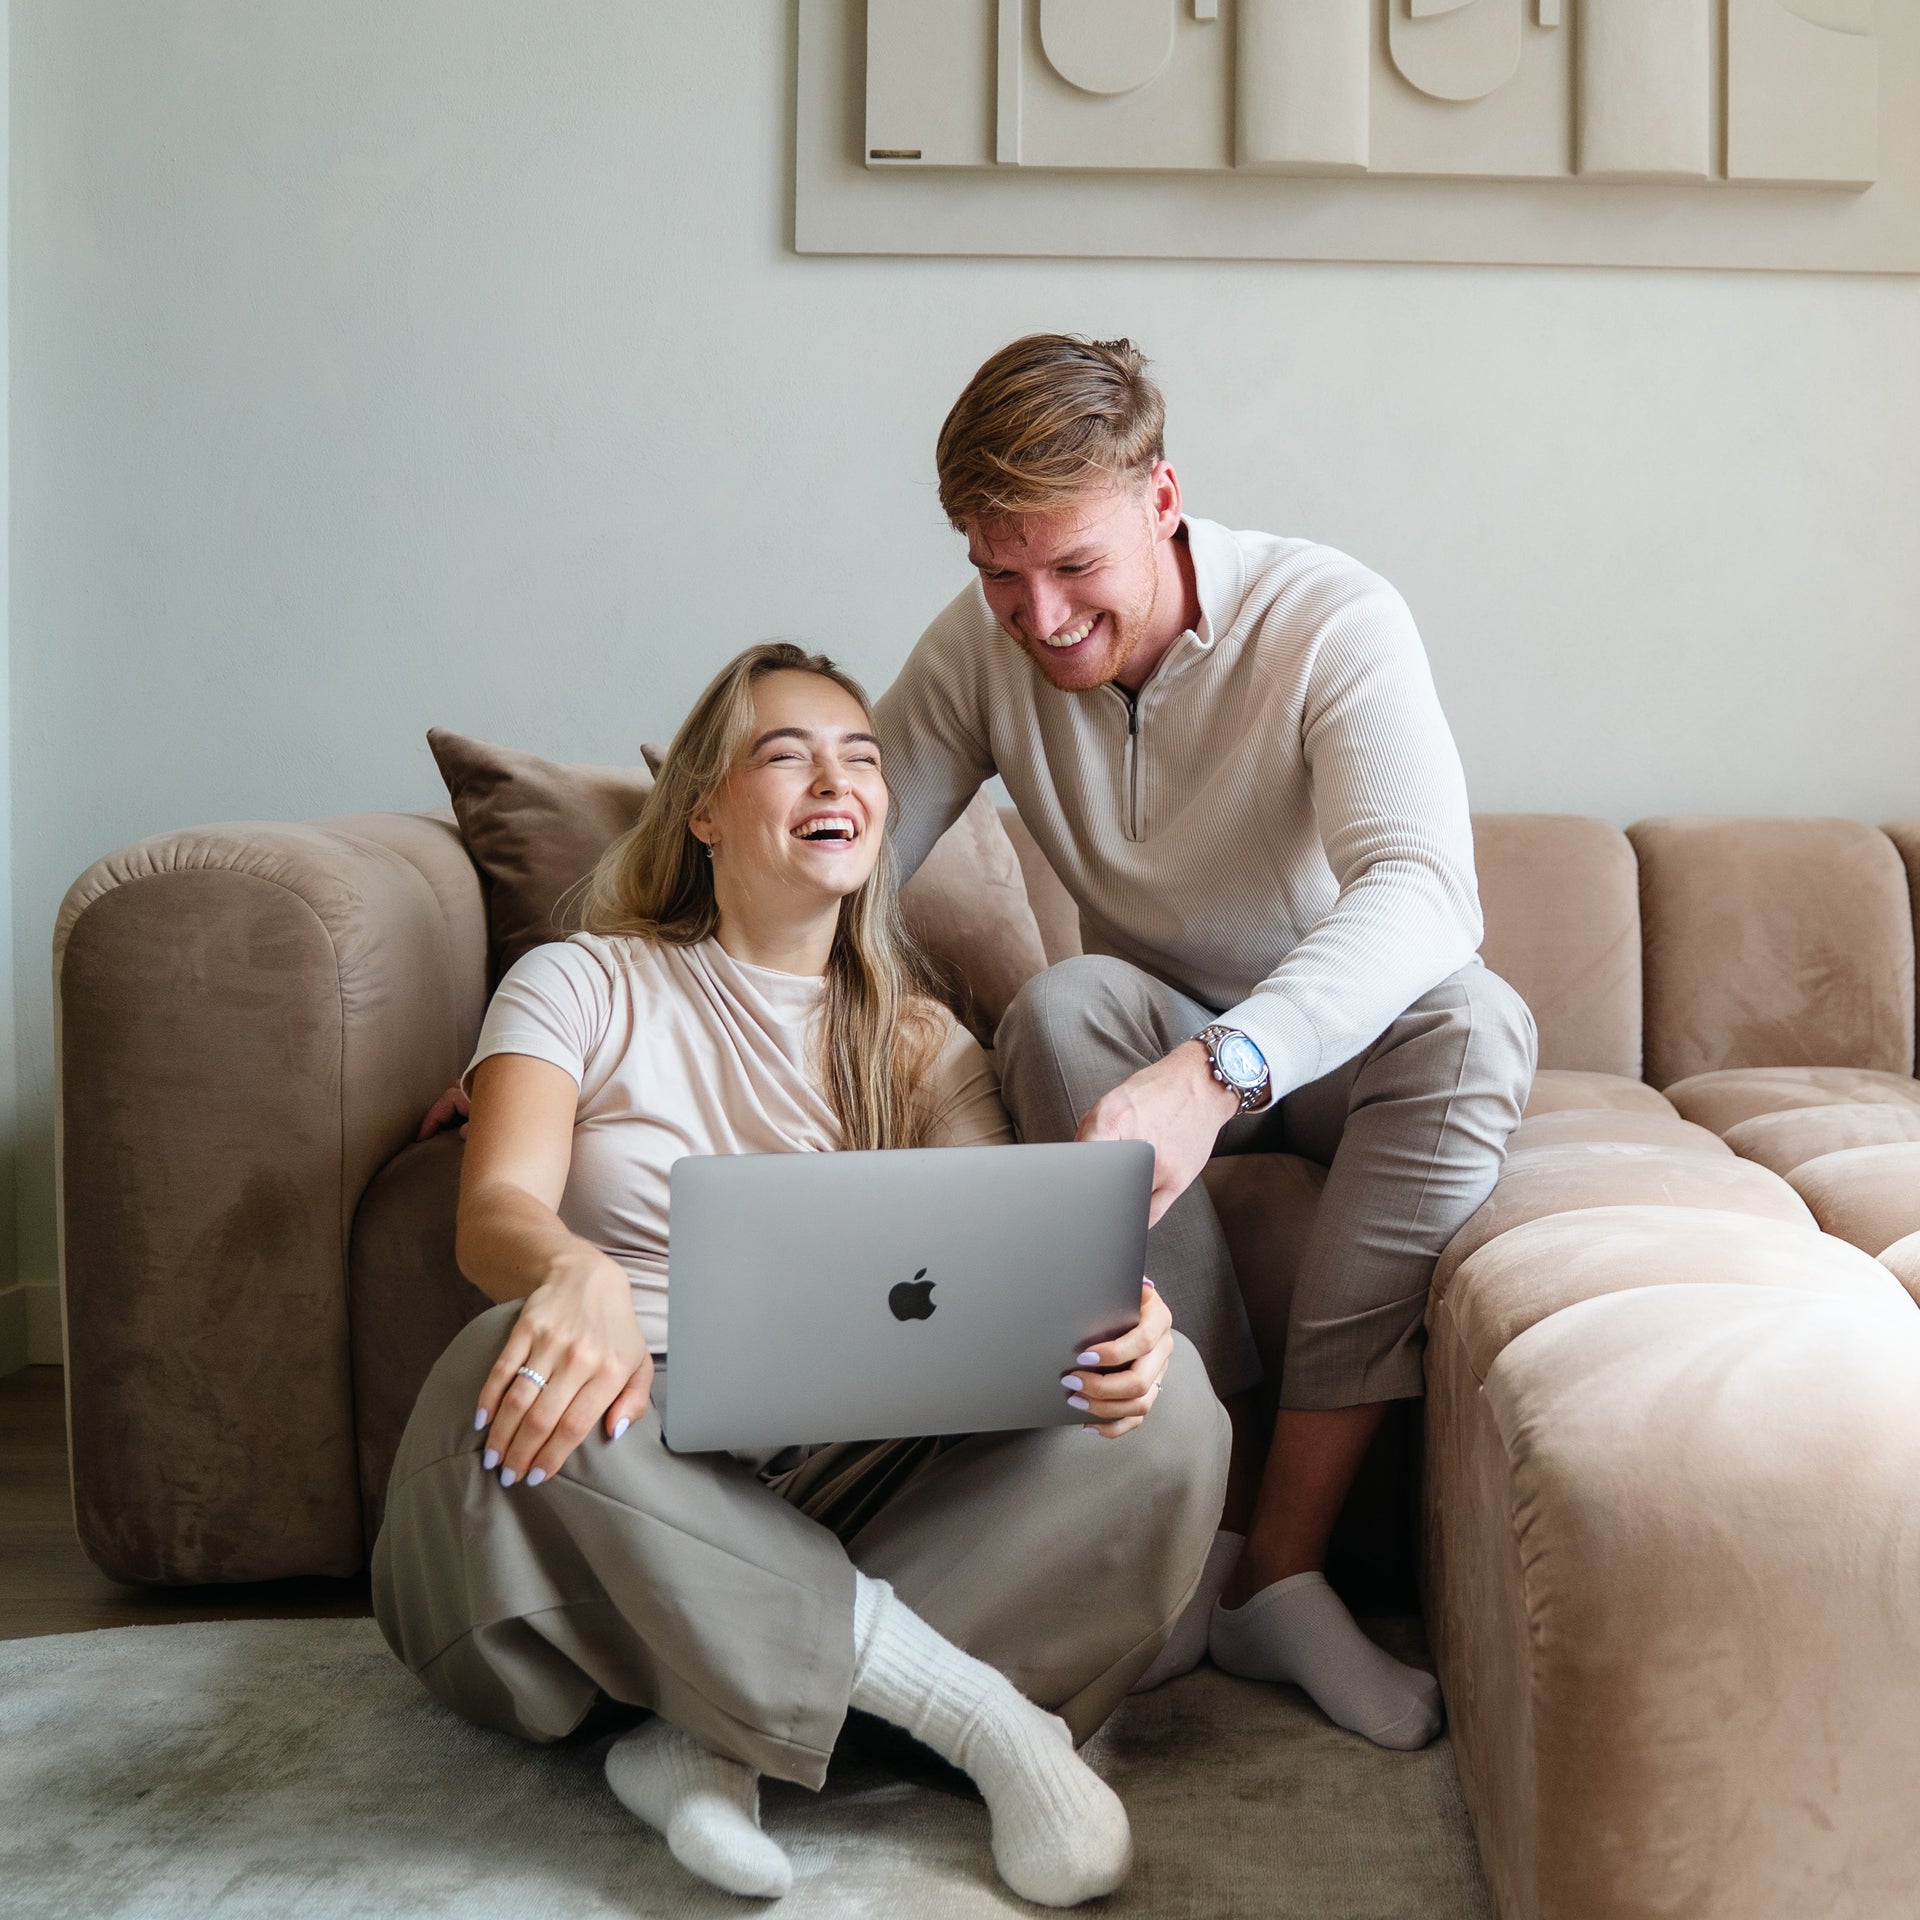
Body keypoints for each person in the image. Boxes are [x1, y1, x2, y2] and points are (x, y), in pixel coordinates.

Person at [376, 643, 1229, 1908]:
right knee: (495, 1383)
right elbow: (494, 1204)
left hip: (844, 1477)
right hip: (613, 1459)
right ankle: (980, 1721)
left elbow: (1004, 1271)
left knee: (1172, 1412)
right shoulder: (581, 980)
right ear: (706, 809)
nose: (839, 778)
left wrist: (1112, 1330)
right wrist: (571, 1275)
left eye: (864, 758)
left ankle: (708, 1736)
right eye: (788, 753)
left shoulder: (927, 1045)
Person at [873, 334, 1537, 1752]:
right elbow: (840, 872)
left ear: (1163, 498)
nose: (1037, 617)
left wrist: (1220, 1068)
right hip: (1154, 1020)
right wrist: (565, 1033)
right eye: (998, 572)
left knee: (1479, 1019)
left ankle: (1285, 1573)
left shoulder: (1331, 616)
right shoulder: (975, 649)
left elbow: (1427, 891)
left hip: (1345, 1043)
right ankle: (1208, 1547)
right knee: (1060, 1006)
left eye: (1072, 567)